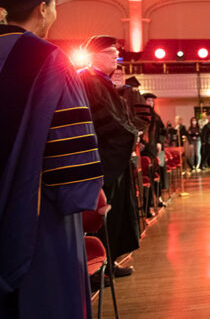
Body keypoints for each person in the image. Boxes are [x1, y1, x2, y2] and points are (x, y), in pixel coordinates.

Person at [0, 0, 103, 319]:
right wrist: (84, 196)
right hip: (39, 213)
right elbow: (70, 144)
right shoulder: (50, 59)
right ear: (43, 9)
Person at [78, 36, 140, 277]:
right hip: (103, 160)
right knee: (104, 212)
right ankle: (98, 269)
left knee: (114, 213)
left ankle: (108, 262)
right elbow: (108, 122)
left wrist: (131, 133)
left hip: (113, 158)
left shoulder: (102, 83)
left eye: (116, 52)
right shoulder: (90, 81)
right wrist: (132, 135)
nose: (116, 55)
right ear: (94, 56)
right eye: (110, 52)